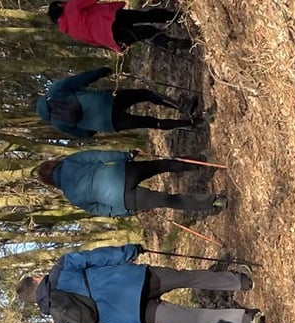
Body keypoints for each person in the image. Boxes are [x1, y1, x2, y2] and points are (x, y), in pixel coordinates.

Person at [16, 245, 256, 323]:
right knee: (187, 277)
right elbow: (99, 257)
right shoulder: (61, 267)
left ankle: (248, 320)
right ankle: (241, 281)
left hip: (136, 318)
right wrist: (129, 251)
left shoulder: (62, 321)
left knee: (192, 319)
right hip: (134, 280)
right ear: (37, 279)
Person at [35, 151, 218, 216]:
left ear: (52, 183)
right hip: (121, 173)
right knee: (160, 165)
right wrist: (125, 155)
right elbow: (99, 156)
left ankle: (215, 201)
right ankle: (200, 161)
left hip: (123, 199)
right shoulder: (70, 161)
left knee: (169, 200)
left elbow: (102, 210)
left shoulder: (71, 196)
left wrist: (127, 211)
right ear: (53, 164)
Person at [37, 67, 194, 141]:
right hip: (107, 101)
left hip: (109, 123)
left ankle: (187, 124)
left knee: (151, 122)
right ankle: (183, 107)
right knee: (145, 95)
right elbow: (82, 79)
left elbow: (85, 134)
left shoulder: (57, 123)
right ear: (43, 97)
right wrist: (102, 71)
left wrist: (94, 127)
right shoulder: (55, 91)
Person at [49, 0, 188, 52]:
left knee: (146, 32)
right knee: (145, 16)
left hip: (112, 37)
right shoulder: (70, 7)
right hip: (112, 18)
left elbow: (94, 42)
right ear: (60, 5)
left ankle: (168, 42)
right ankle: (177, 17)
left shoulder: (70, 32)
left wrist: (115, 47)